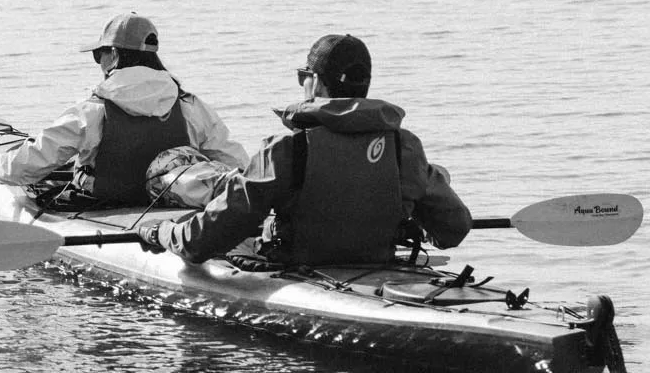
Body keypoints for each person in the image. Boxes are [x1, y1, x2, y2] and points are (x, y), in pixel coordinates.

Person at [142, 32, 471, 266]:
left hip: (295, 264)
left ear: (316, 81)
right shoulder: (405, 147)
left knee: (239, 232)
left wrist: (164, 233)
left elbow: (202, 241)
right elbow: (454, 229)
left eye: (304, 76)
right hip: (377, 261)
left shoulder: (286, 149)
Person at [0, 12, 246, 207]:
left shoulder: (92, 111)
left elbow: (26, 166)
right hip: (168, 204)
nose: (99, 62)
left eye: (99, 55)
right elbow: (238, 165)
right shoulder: (190, 105)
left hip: (104, 205)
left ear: (113, 55)